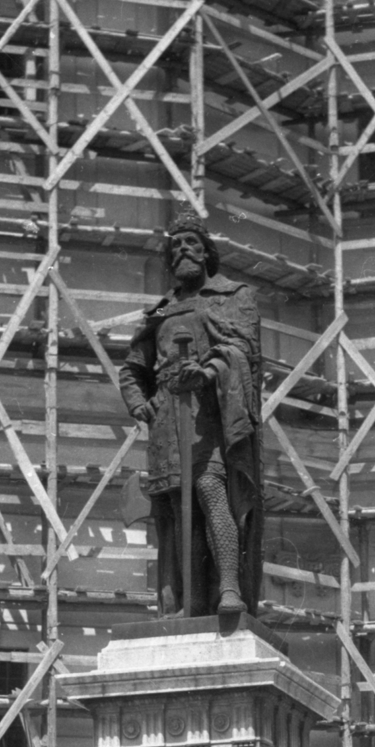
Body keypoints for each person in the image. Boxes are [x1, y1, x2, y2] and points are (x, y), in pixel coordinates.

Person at [119, 211, 263, 618]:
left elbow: (242, 351)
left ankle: (230, 590)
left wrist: (208, 372)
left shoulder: (233, 296)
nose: (183, 249)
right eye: (175, 244)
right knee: (177, 512)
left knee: (211, 493)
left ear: (206, 253)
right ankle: (188, 601)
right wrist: (139, 403)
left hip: (209, 415)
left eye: (191, 243)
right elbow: (132, 367)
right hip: (167, 418)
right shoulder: (161, 312)